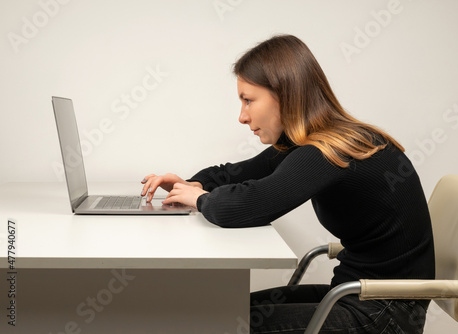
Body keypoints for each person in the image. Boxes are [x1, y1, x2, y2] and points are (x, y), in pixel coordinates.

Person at [140, 35, 435, 334]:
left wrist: (199, 198)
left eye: (248, 100)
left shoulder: (328, 151)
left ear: (285, 94)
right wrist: (191, 184)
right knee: (224, 312)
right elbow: (235, 174)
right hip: (357, 294)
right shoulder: (314, 141)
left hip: (383, 314)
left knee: (223, 323)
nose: (242, 116)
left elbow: (248, 206)